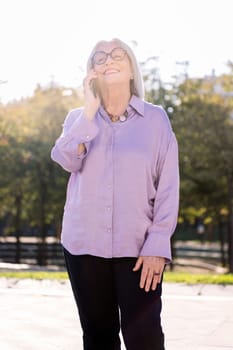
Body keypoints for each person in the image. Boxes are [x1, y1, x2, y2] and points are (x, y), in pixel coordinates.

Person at [51, 38, 179, 350]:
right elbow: (66, 158)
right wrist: (90, 110)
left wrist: (159, 242)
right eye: (100, 56)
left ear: (132, 68)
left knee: (145, 339)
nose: (109, 59)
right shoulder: (77, 119)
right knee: (98, 338)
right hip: (84, 247)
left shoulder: (156, 119)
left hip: (138, 249)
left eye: (118, 54)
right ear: (91, 71)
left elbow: (168, 185)